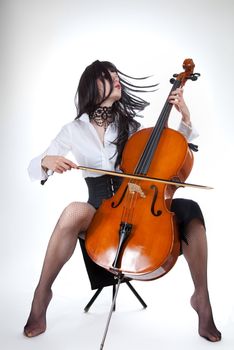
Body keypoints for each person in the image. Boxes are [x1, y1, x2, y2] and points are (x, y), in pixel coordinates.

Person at [24, 60, 221, 342]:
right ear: (92, 85)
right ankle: (42, 292)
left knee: (191, 210)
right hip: (99, 212)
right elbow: (33, 168)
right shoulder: (73, 130)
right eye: (108, 76)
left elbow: (169, 154)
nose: (116, 78)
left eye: (116, 74)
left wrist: (185, 120)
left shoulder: (131, 126)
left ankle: (201, 298)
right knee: (72, 212)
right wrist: (46, 160)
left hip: (141, 205)